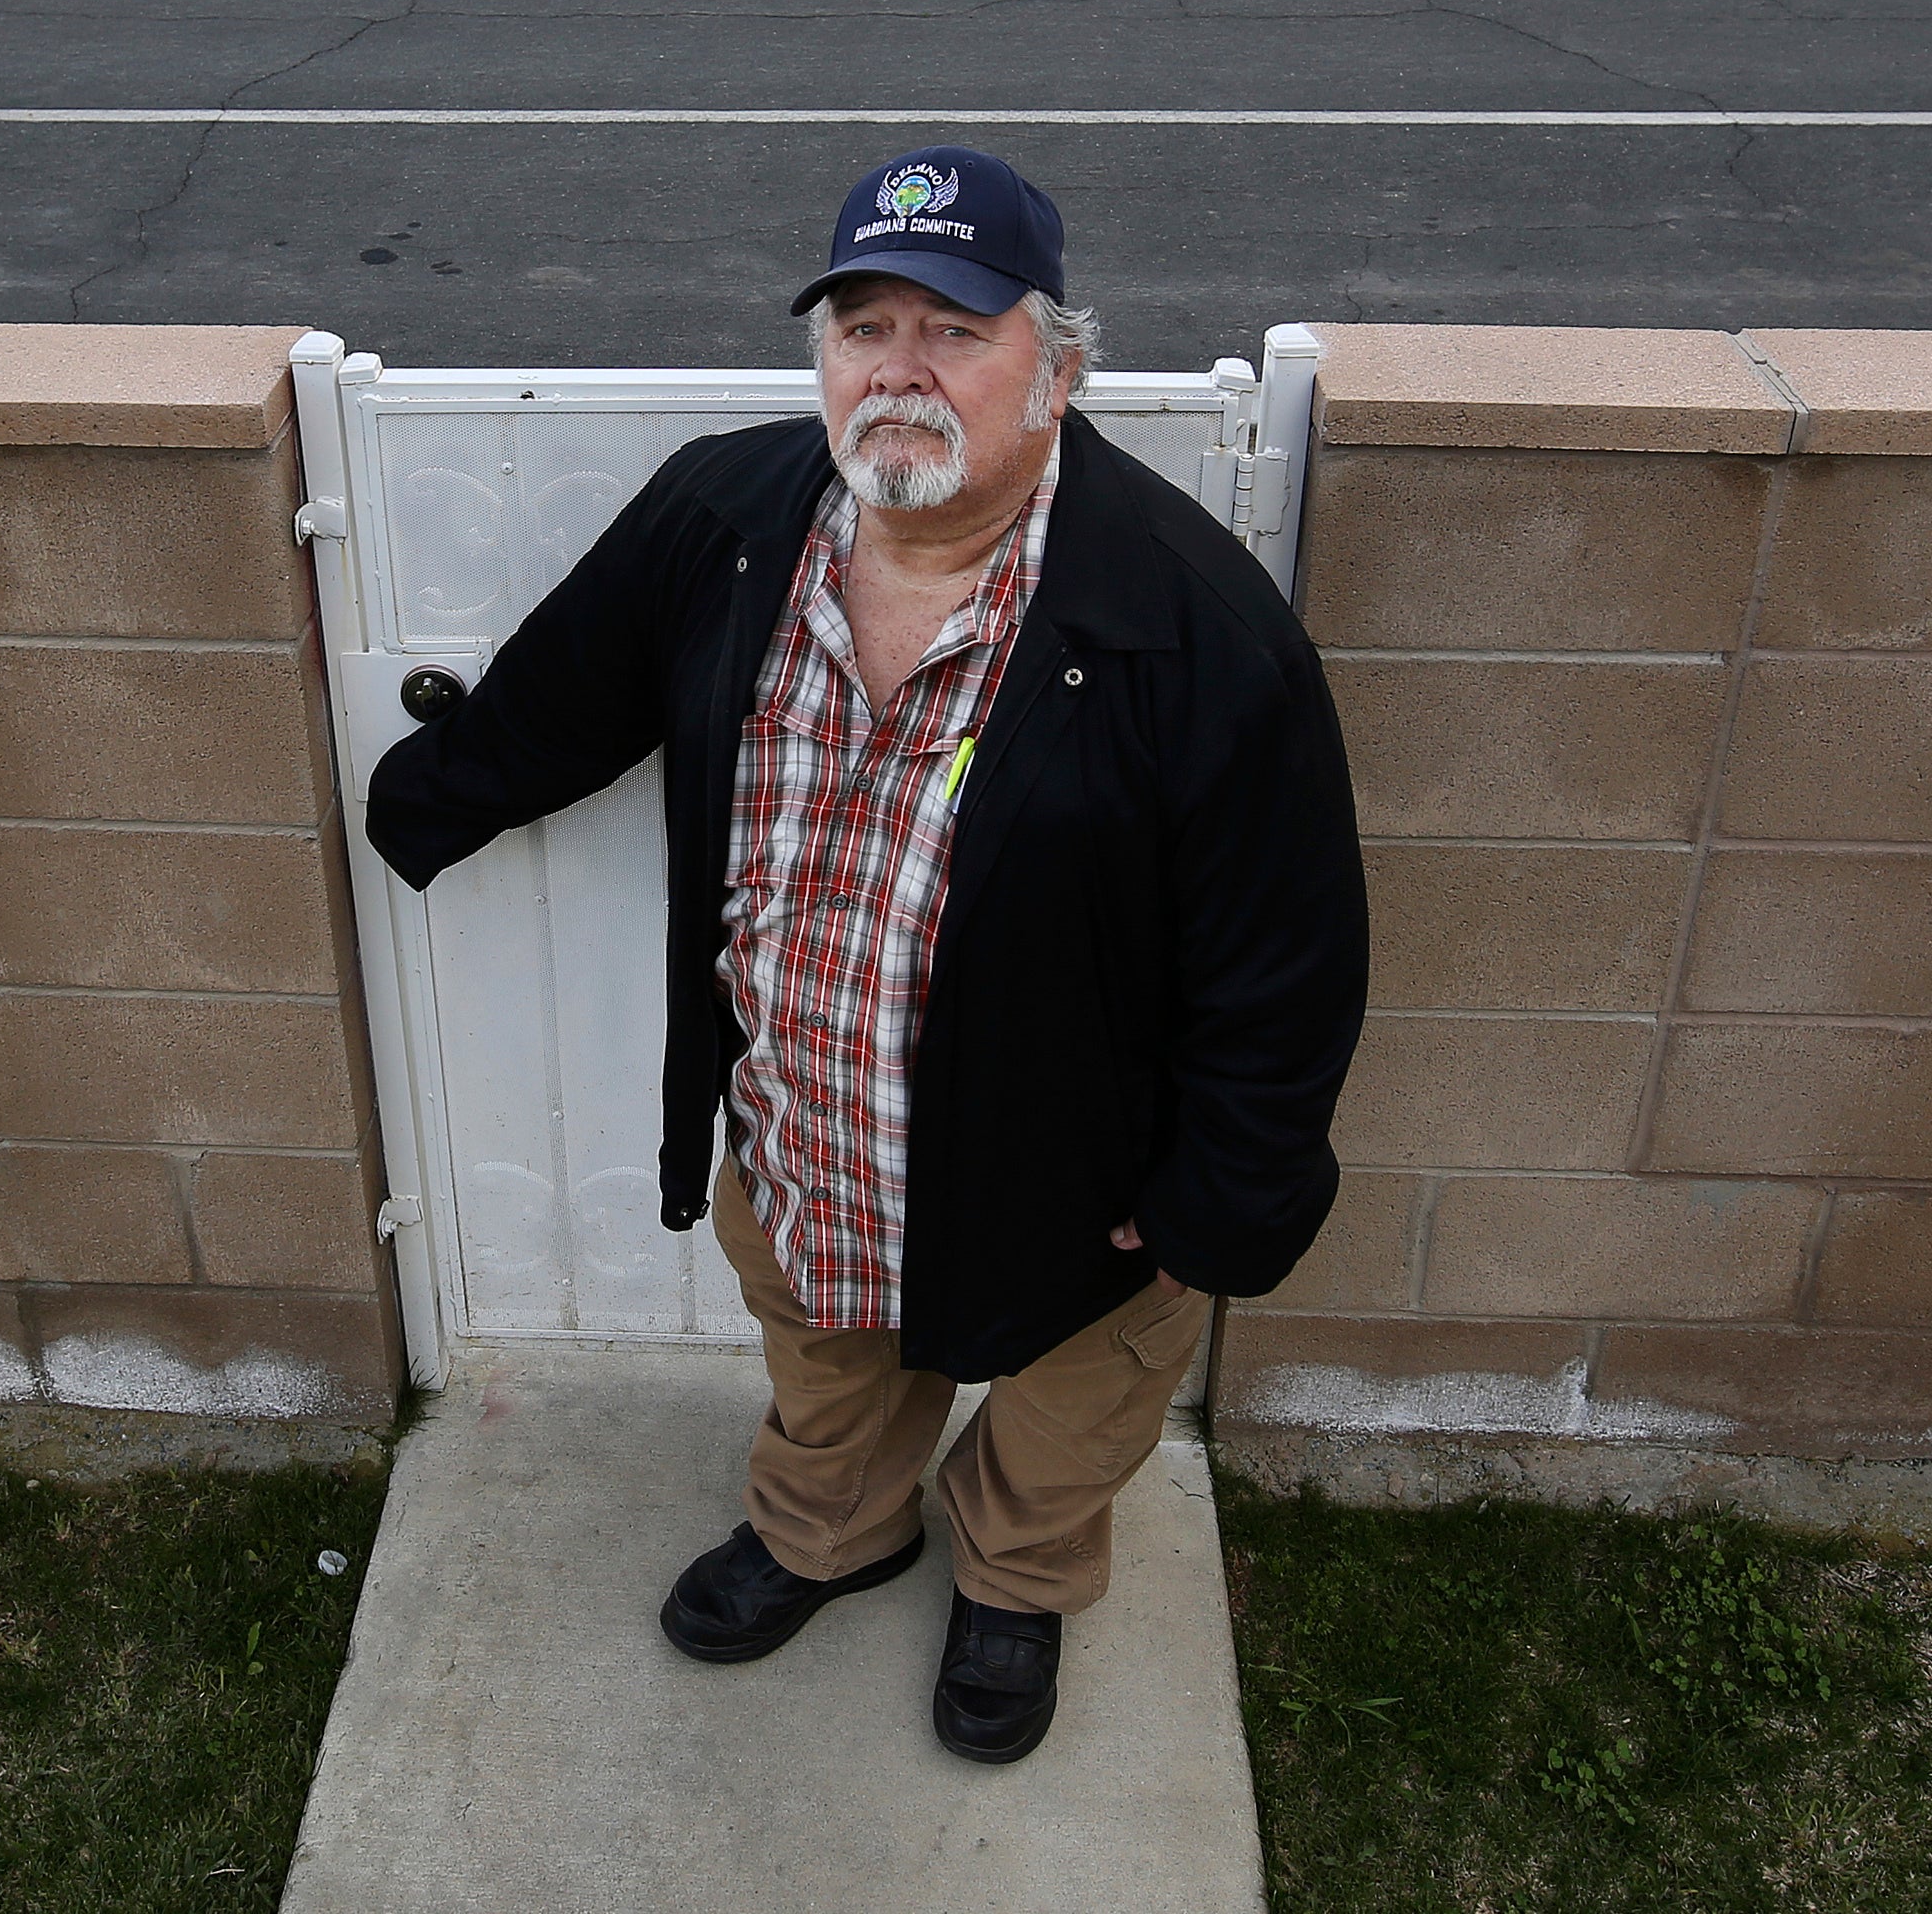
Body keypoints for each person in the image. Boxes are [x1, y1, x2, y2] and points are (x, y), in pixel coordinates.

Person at [363, 149, 1367, 1765]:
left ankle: (1016, 1578)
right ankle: (830, 1530)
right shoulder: (727, 518)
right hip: (807, 1125)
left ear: (1057, 370)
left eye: (955, 330)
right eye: (862, 327)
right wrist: (423, 801)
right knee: (826, 1367)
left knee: (1072, 1403)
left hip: (1077, 1176)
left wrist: (1214, 1199)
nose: (899, 370)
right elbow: (571, 689)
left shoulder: (1190, 625)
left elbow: (1285, 957)